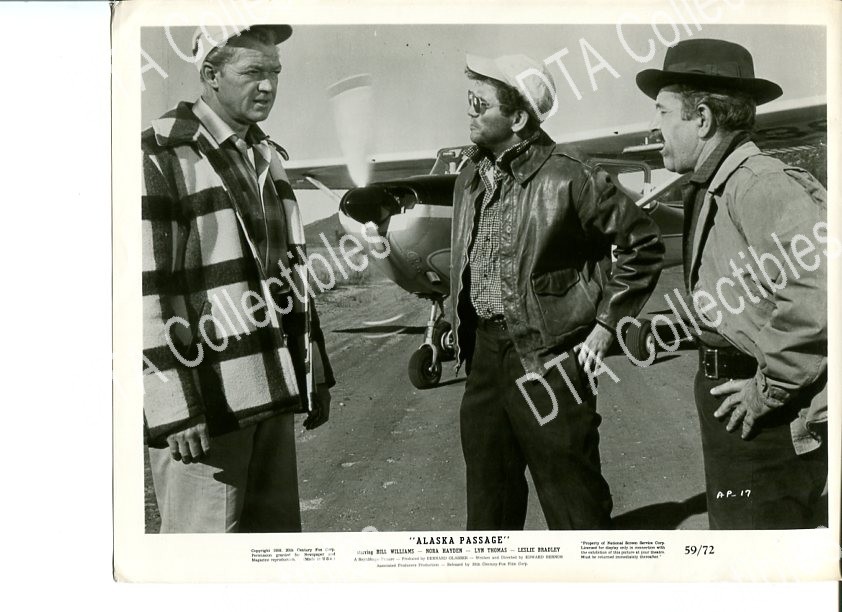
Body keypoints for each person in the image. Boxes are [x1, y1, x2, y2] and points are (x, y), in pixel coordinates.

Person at [450, 54, 664, 530]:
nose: (468, 110)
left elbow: (643, 244)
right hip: (484, 359)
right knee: (487, 510)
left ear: (518, 118)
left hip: (549, 359)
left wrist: (607, 325)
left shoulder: (573, 175)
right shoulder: (469, 178)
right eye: (469, 99)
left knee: (574, 508)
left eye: (479, 103)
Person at [141, 24, 335, 533]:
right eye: (252, 72)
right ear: (210, 74)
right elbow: (143, 291)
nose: (268, 86)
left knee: (271, 553)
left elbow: (291, 272)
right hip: (205, 407)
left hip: (269, 392)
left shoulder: (264, 155)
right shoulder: (162, 152)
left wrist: (314, 373)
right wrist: (174, 406)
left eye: (275, 72)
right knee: (204, 560)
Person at [636, 38, 828, 529]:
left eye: (662, 112)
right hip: (734, 403)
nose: (654, 127)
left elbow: (816, 299)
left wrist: (768, 390)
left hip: (766, 417)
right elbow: (739, 296)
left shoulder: (759, 185)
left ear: (701, 119)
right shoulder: (718, 183)